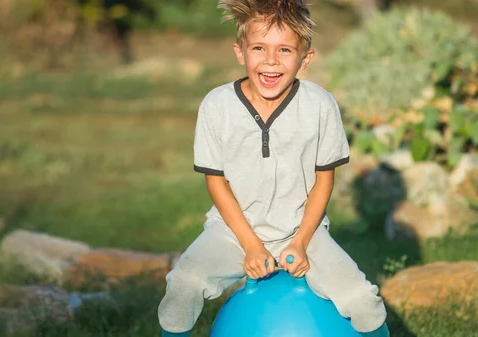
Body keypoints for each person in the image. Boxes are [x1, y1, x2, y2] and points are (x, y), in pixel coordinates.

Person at [157, 0, 390, 336]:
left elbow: (325, 181)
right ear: (240, 52)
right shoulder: (217, 105)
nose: (270, 60)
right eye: (258, 48)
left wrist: (301, 241)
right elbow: (216, 182)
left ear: (305, 58)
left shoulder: (320, 105)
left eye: (284, 50)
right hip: (232, 232)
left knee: (362, 300)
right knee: (183, 284)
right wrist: (250, 245)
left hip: (304, 233)